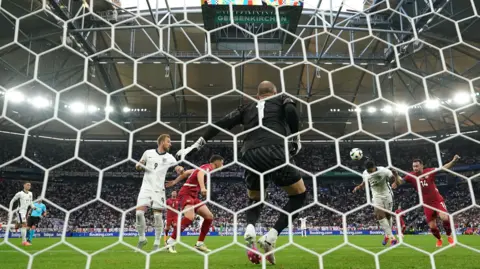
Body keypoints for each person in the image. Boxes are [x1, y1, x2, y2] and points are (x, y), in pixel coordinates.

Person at [176, 81, 305, 265]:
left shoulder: (246, 107)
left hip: (250, 154)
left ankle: (251, 227)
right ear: (275, 93)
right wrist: (295, 139)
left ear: (258, 95)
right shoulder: (282, 99)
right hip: (275, 149)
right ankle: (271, 237)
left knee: (255, 198)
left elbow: (221, 123)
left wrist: (195, 146)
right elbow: (292, 112)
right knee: (299, 195)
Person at [392, 155, 460, 247]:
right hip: (426, 204)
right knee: (432, 227)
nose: (415, 168)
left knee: (444, 217)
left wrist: (453, 161)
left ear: (422, 166)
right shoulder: (411, 176)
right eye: (413, 166)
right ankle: (439, 239)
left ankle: (449, 235)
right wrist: (396, 176)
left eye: (417, 166)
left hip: (437, 200)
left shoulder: (429, 171)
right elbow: (400, 182)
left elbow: (443, 168)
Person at [165, 155, 225, 253]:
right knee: (190, 217)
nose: (223, 164)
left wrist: (175, 181)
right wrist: (202, 187)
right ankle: (170, 241)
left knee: (209, 216)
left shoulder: (203, 167)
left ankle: (199, 244)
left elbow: (187, 173)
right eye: (222, 162)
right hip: (186, 193)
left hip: (193, 196)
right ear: (216, 162)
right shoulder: (208, 168)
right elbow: (200, 173)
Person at [134, 134, 184, 251]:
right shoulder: (148, 153)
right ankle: (142, 238)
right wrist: (139, 166)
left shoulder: (170, 157)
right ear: (162, 142)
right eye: (168, 141)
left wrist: (180, 169)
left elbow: (177, 168)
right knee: (139, 214)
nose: (170, 144)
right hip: (146, 187)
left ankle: (156, 243)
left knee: (157, 216)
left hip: (159, 189)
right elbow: (138, 165)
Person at [353, 160, 400, 246]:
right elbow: (365, 182)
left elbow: (396, 179)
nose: (370, 172)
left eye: (371, 170)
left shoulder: (383, 170)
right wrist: (359, 187)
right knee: (379, 215)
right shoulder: (365, 173)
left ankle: (387, 235)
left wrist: (396, 177)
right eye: (368, 170)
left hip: (387, 195)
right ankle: (392, 238)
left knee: (388, 216)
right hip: (376, 197)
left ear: (375, 167)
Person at [9, 182, 35, 246]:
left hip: (25, 212)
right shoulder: (20, 193)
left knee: (18, 226)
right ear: (24, 185)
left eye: (30, 185)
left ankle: (8, 226)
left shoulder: (30, 194)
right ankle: (24, 241)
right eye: (27, 185)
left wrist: (34, 207)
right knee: (24, 224)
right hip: (20, 211)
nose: (29, 186)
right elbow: (12, 201)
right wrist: (10, 210)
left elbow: (30, 202)